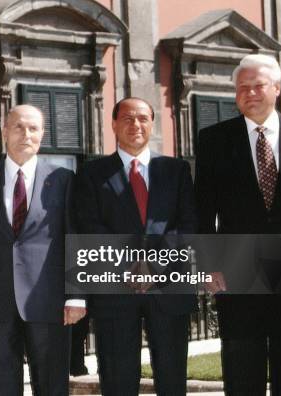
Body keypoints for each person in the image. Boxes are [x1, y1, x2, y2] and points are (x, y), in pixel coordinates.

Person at [195, 54, 281, 395]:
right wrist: (208, 266)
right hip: (236, 268)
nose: (250, 93)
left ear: (276, 88)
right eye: (242, 88)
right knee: (240, 360)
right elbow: (203, 210)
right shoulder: (214, 140)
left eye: (258, 85)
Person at [0, 104, 86, 396]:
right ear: (5, 131)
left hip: (50, 301)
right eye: (18, 127)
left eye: (33, 128)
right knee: (1, 386)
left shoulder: (64, 180)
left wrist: (77, 294)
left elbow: (75, 238)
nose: (25, 134)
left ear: (42, 134)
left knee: (52, 385)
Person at [74, 97, 197, 395]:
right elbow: (89, 228)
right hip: (115, 289)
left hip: (168, 286)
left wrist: (153, 265)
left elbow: (188, 224)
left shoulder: (176, 170)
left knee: (172, 377)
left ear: (152, 123)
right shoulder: (92, 173)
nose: (135, 124)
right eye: (127, 118)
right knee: (117, 379)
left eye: (143, 118)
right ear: (114, 124)